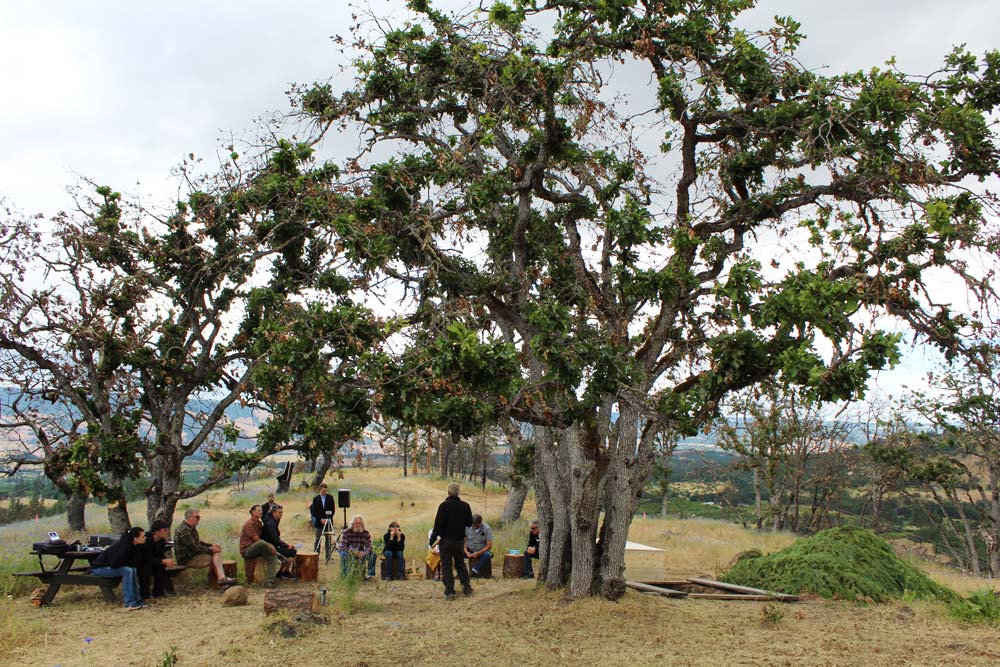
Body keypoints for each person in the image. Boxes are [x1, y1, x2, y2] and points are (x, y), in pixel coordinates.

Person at [429, 482, 473, 600]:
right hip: (459, 541)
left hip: (446, 541)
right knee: (460, 564)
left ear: (448, 492)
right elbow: (469, 523)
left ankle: (450, 591)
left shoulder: (443, 506)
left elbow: (437, 525)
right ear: (458, 492)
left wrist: (432, 539)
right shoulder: (465, 506)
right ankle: (467, 588)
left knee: (447, 566)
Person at [173, 508, 237, 586]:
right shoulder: (184, 530)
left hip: (192, 556)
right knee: (215, 557)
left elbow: (198, 542)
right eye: (197, 517)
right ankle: (221, 579)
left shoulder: (189, 528)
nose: (199, 519)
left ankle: (219, 580)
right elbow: (195, 548)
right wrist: (211, 549)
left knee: (216, 556)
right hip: (187, 559)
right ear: (190, 518)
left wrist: (211, 545)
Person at [92, 526, 146, 609]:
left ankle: (137, 600)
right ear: (135, 538)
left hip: (112, 567)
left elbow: (134, 563)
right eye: (142, 537)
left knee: (133, 570)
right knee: (127, 570)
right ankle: (129, 602)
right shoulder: (124, 547)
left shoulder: (135, 546)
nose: (145, 538)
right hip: (100, 568)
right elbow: (115, 564)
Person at [239, 504, 279, 587]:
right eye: (259, 510)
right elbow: (257, 539)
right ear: (253, 512)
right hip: (247, 550)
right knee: (261, 543)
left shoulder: (259, 523)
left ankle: (269, 581)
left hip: (258, 548)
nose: (261, 512)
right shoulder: (249, 524)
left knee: (272, 556)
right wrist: (269, 545)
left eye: (261, 510)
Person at [135, 519, 176, 599]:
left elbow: (160, 555)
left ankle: (158, 593)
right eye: (164, 530)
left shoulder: (162, 541)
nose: (167, 532)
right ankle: (145, 596)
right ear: (156, 532)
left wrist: (167, 562)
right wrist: (163, 561)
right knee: (146, 569)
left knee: (161, 568)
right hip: (140, 563)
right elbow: (146, 558)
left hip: (151, 562)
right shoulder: (146, 539)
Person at [263, 504, 298, 579]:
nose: (281, 514)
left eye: (282, 512)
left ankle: (281, 572)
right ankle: (285, 572)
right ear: (273, 513)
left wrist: (285, 545)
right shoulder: (270, 523)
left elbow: (276, 538)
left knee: (291, 551)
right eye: (279, 512)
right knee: (292, 551)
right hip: (269, 547)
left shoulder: (275, 519)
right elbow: (275, 539)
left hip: (273, 545)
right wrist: (286, 546)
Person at [337, 514, 376, 579]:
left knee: (373, 554)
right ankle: (345, 575)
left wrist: (364, 552)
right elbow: (343, 546)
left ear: (362, 524)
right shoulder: (347, 532)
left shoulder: (365, 532)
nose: (358, 525)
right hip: (349, 551)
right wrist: (354, 552)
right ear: (352, 524)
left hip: (361, 552)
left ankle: (370, 574)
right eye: (356, 523)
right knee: (343, 554)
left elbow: (370, 545)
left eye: (359, 523)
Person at [310, 483, 336, 556]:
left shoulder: (330, 498)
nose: (324, 492)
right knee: (318, 539)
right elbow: (314, 511)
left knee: (328, 540)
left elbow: (332, 510)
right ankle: (315, 555)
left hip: (328, 522)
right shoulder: (316, 499)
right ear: (320, 490)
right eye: (323, 490)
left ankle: (328, 555)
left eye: (325, 490)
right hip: (319, 522)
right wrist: (321, 519)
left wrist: (327, 519)